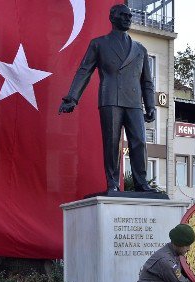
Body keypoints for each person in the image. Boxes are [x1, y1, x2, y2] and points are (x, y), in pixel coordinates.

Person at [59, 4, 156, 193]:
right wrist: (72, 97)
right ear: (112, 18)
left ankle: (141, 183)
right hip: (110, 98)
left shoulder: (140, 49)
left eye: (130, 16)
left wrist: (150, 105)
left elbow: (147, 81)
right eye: (123, 15)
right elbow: (84, 71)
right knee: (112, 143)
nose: (128, 18)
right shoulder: (99, 44)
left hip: (134, 101)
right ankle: (112, 183)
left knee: (139, 141)